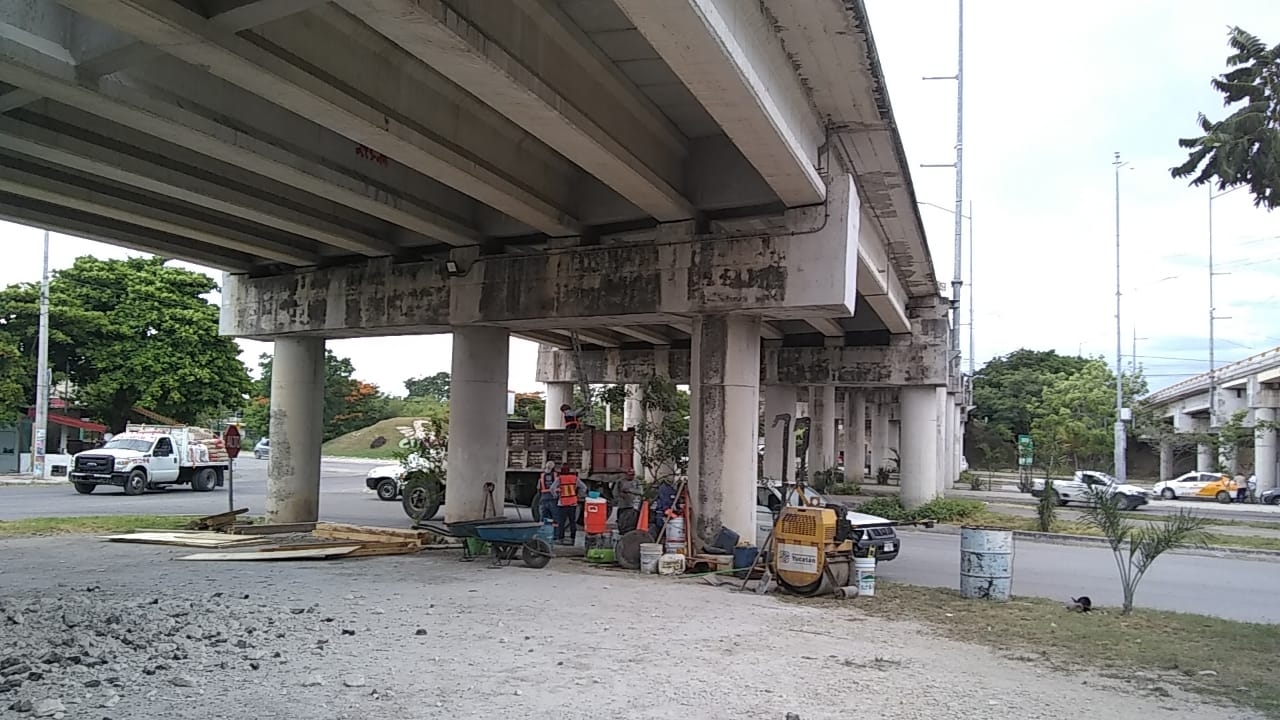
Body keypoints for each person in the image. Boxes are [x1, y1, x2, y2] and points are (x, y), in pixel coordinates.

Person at [554, 463, 587, 545]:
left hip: (562, 503)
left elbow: (552, 488)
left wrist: (556, 495)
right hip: (573, 503)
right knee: (572, 522)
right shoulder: (574, 478)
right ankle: (573, 539)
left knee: (561, 522)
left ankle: (560, 539)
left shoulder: (559, 479)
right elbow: (584, 487)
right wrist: (579, 495)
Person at [538, 461, 559, 531]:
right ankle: (555, 533)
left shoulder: (542, 476)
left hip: (544, 498)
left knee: (543, 517)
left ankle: (541, 531)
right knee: (555, 517)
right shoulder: (556, 476)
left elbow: (538, 488)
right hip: (553, 498)